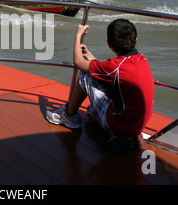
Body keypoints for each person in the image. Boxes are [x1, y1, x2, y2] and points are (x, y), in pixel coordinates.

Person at [46, 19, 154, 153]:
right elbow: (105, 70)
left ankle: (69, 115)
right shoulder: (142, 60)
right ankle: (127, 136)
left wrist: (78, 36)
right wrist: (88, 54)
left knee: (85, 75)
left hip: (120, 126)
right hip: (138, 125)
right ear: (136, 40)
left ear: (109, 45)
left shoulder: (116, 67)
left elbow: (79, 63)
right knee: (92, 109)